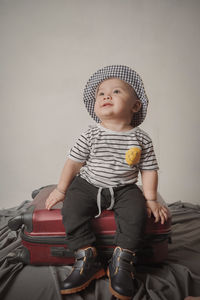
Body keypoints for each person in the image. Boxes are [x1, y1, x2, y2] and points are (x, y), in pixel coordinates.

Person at [45, 65, 169, 300]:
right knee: (72, 208)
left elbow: (149, 169)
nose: (106, 96)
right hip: (89, 184)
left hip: (124, 188)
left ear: (135, 105)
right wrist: (62, 189)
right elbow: (73, 163)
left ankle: (122, 262)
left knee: (136, 215)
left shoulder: (141, 138)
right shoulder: (91, 134)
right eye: (101, 93)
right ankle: (86, 257)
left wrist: (151, 199)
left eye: (116, 92)